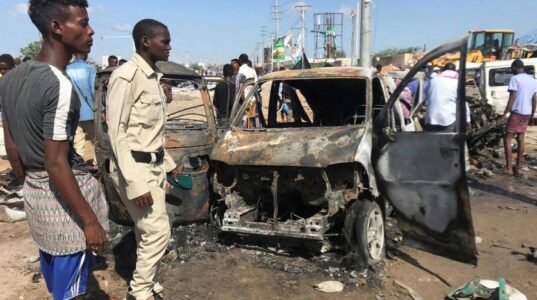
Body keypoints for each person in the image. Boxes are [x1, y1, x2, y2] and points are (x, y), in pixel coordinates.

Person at [0, 1, 108, 299]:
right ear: (57, 28)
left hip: (37, 196)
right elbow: (57, 163)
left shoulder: (10, 79)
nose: (91, 30)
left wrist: (31, 188)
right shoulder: (59, 85)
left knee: (57, 281)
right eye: (83, 23)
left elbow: (13, 148)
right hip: (65, 207)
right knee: (73, 292)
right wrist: (89, 222)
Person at [106, 18, 178, 300]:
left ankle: (146, 283)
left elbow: (151, 133)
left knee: (146, 231)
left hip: (154, 165)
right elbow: (117, 134)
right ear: (145, 41)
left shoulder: (154, 77)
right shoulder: (126, 76)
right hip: (134, 168)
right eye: (165, 41)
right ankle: (139, 293)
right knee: (158, 232)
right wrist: (134, 182)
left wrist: (168, 164)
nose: (170, 46)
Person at [501, 59, 537, 175]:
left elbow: (512, 96)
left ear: (515, 68)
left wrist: (505, 113)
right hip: (526, 114)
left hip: (516, 112)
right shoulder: (533, 81)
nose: (512, 71)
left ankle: (509, 167)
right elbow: (534, 99)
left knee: (507, 138)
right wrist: (532, 114)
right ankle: (519, 166)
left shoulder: (515, 79)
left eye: (512, 69)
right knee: (521, 139)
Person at [67, 52, 97, 164]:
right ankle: (96, 163)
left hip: (73, 111)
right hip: (89, 111)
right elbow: (94, 90)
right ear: (86, 56)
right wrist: (100, 109)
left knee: (77, 140)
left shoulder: (66, 68)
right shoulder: (90, 68)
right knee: (95, 139)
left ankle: (80, 165)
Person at [424, 63, 470, 131]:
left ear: (443, 70)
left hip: (431, 118)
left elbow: (426, 94)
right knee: (447, 141)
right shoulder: (457, 83)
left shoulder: (433, 81)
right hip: (448, 119)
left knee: (432, 141)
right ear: (455, 71)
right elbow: (462, 103)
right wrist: (467, 119)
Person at [236, 54, 258, 128]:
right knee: (251, 120)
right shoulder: (252, 71)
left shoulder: (239, 71)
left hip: (242, 100)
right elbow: (256, 85)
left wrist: (244, 101)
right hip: (252, 99)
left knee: (243, 122)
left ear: (240, 61)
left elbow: (239, 89)